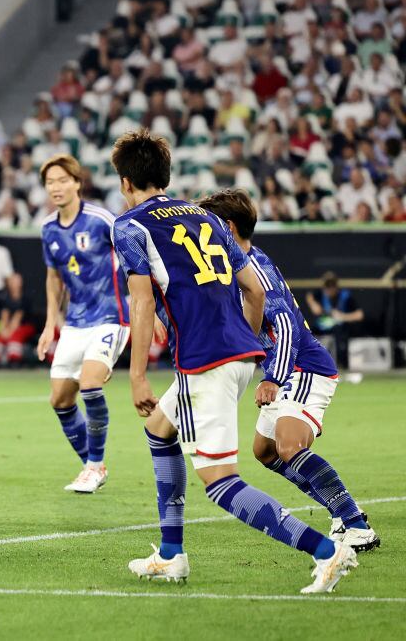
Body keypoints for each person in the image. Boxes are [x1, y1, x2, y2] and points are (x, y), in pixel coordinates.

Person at [111, 129, 356, 594]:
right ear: (166, 174)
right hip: (239, 353)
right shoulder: (207, 217)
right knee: (159, 429)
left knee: (221, 483)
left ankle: (328, 552)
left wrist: (137, 374)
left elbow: (141, 304)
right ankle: (170, 555)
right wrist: (243, 337)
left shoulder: (129, 226)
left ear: (126, 182)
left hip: (204, 361)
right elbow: (256, 290)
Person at [198, 190, 379, 551]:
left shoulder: (256, 269)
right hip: (287, 368)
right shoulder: (240, 262)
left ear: (228, 227)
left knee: (289, 445)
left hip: (304, 368)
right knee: (264, 451)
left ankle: (357, 524)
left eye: (208, 225)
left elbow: (285, 324)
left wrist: (272, 378)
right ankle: (343, 511)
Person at [35, 154, 130, 494]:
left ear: (77, 182)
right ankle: (95, 466)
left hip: (111, 315)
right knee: (60, 399)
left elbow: (135, 262)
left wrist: (154, 312)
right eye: (50, 182)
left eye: (62, 180)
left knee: (90, 384)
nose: (56, 187)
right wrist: (50, 325)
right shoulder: (48, 228)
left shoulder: (101, 219)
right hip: (75, 321)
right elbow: (53, 279)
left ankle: (93, 466)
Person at [306, 272, 363, 369]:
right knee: (308, 332)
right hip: (324, 325)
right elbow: (309, 296)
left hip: (340, 327)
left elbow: (359, 315)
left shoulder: (346, 296)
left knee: (340, 333)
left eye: (331, 286)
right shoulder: (321, 293)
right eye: (326, 287)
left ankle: (341, 364)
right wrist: (314, 305)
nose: (329, 290)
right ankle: (310, 362)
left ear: (336, 287)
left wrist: (343, 316)